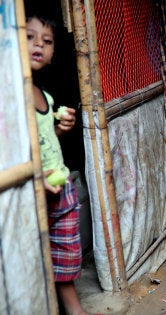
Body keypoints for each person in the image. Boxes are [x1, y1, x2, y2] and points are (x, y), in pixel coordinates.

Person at [27, 13, 91, 315]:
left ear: (52, 54)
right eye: (29, 37)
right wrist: (36, 181)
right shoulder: (11, 96)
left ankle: (73, 309)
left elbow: (43, 142)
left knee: (64, 256)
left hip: (61, 189)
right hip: (35, 192)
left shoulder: (46, 98)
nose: (39, 44)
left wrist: (59, 130)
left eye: (47, 41)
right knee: (34, 259)